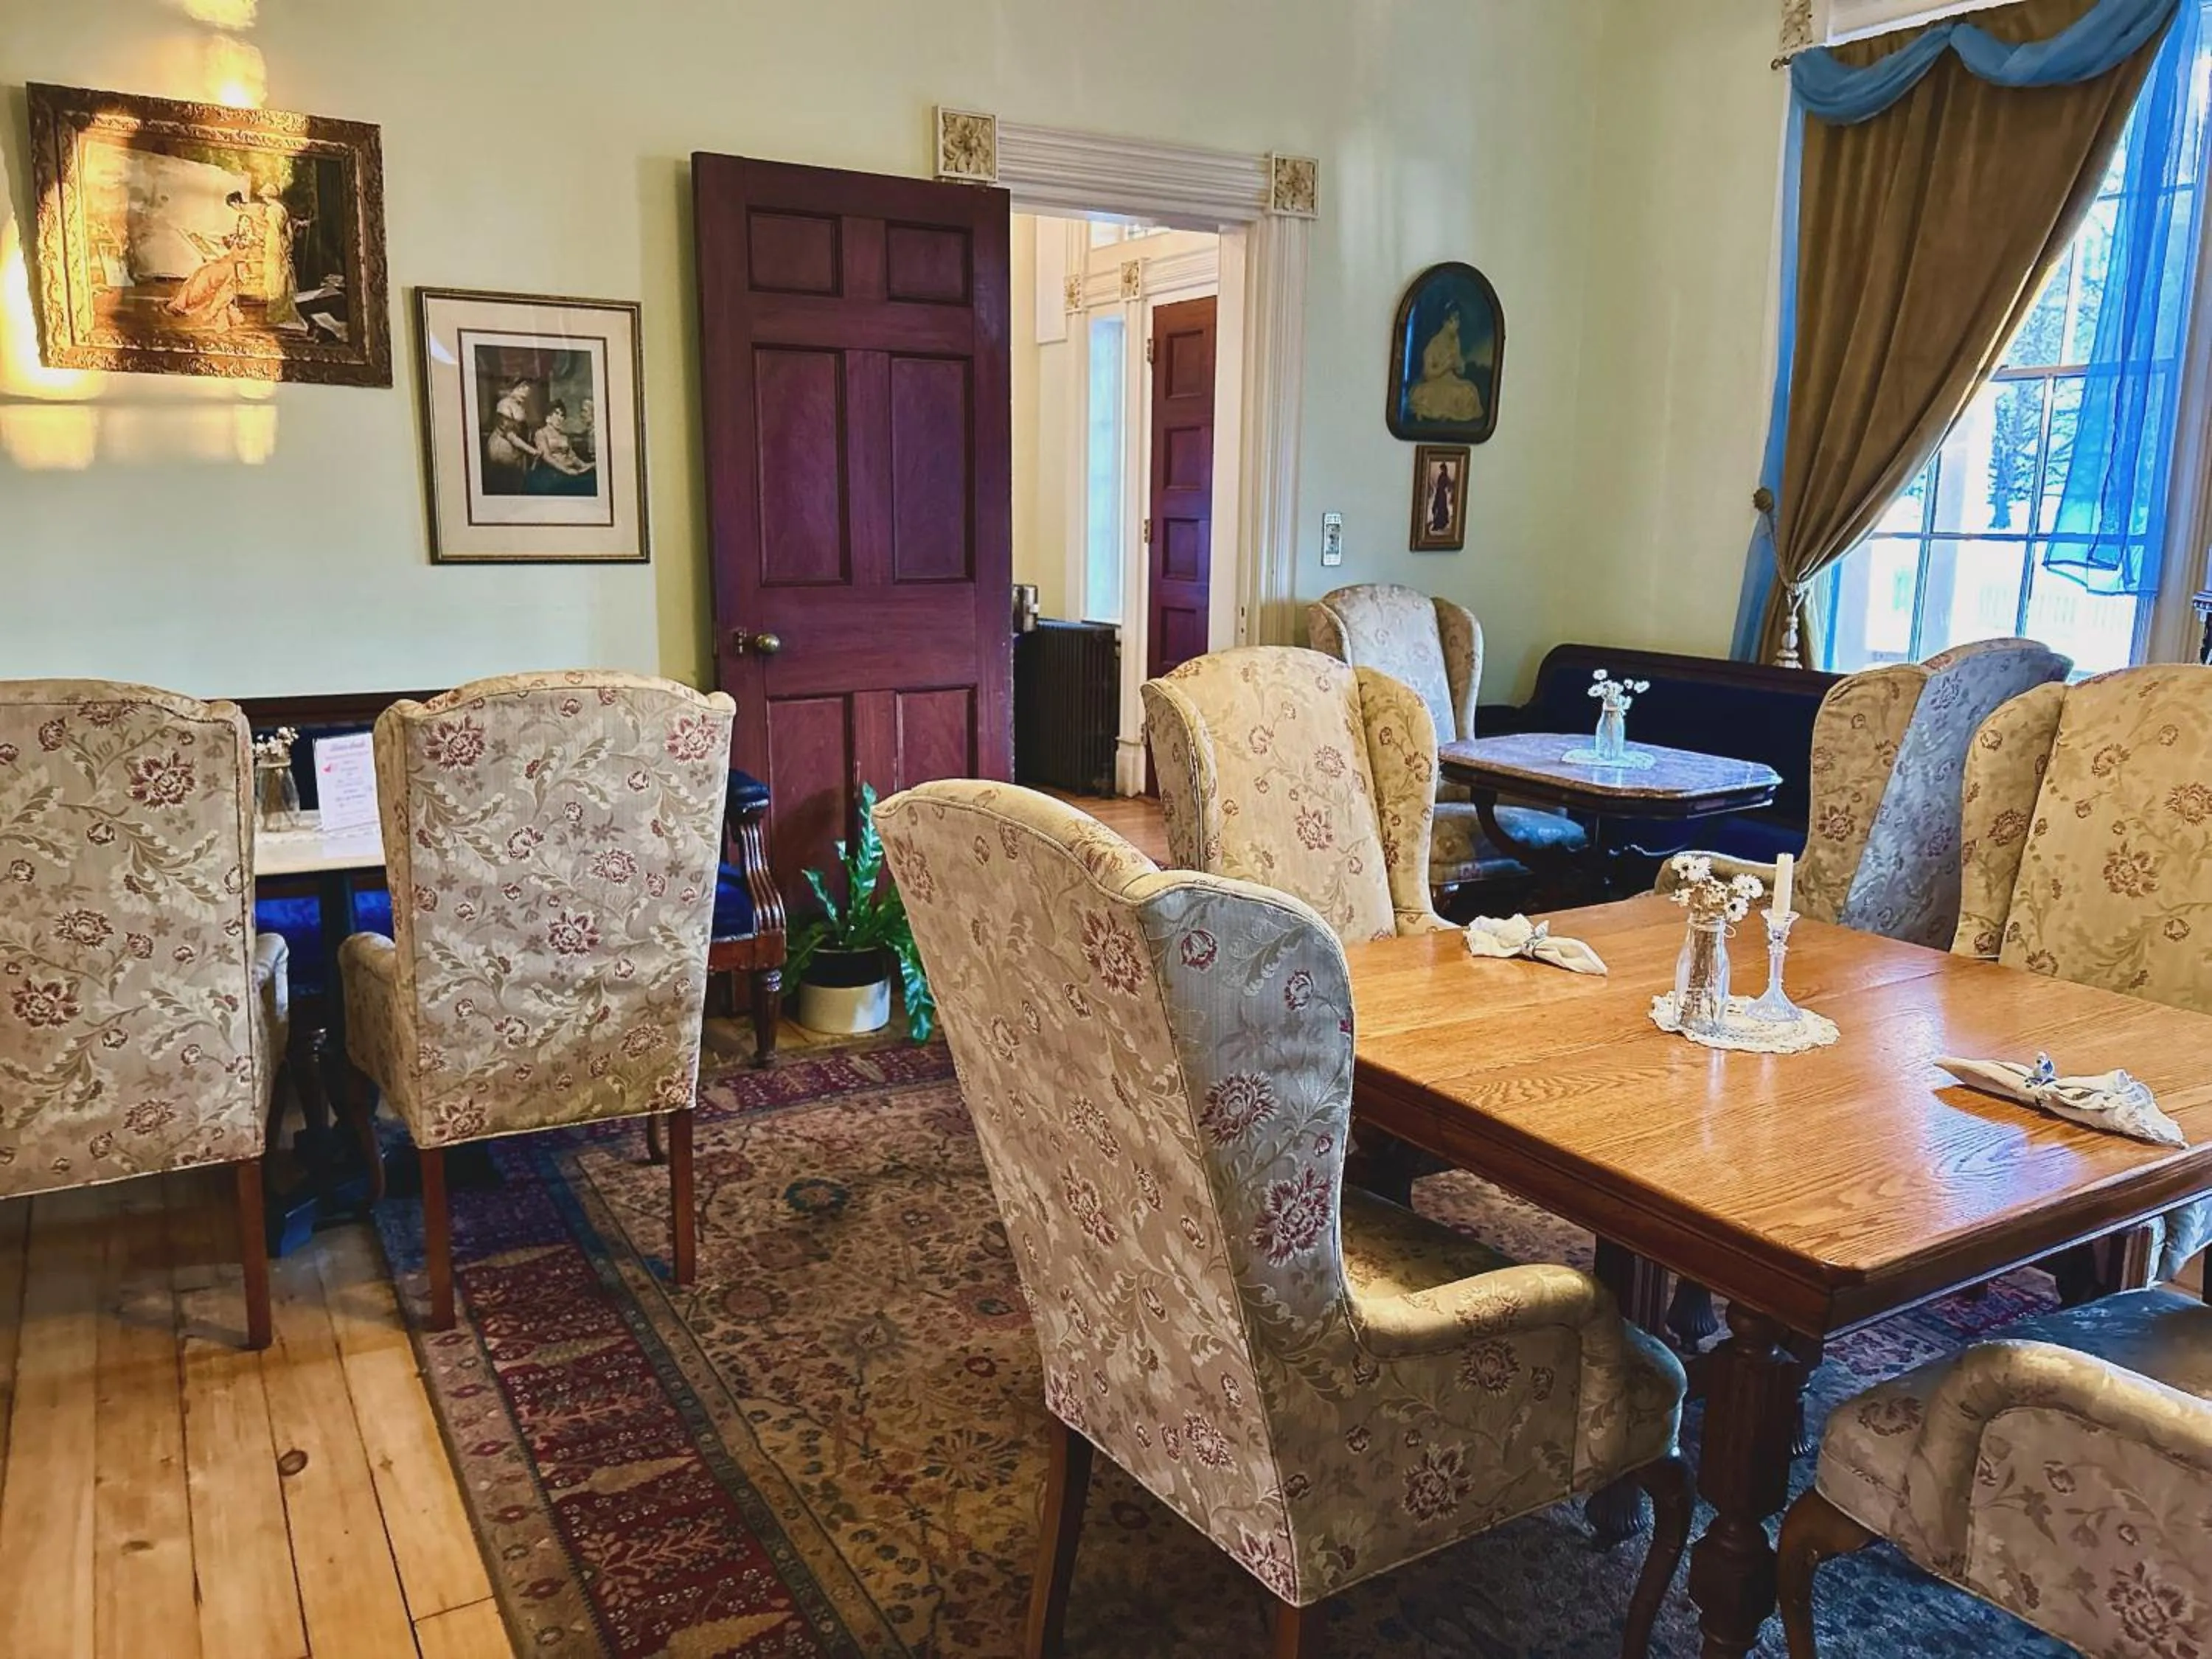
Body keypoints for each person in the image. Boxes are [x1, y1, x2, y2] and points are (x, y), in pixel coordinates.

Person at [163, 190, 258, 330]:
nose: (234, 209)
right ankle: (181, 304)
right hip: (231, 258)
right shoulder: (243, 218)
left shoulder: (249, 220)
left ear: (237, 202)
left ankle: (185, 305)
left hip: (238, 263)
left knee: (207, 276)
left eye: (233, 206)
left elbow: (250, 241)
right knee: (200, 271)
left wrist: (236, 241)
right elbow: (235, 239)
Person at [1407, 310, 1486, 426]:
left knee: (1469, 390)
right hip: (1434, 382)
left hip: (1451, 380)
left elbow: (1459, 367)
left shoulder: (1455, 341)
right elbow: (1427, 373)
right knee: (1440, 394)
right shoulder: (1434, 344)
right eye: (1454, 321)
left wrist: (1460, 366)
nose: (1457, 325)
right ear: (1445, 323)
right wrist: (1446, 366)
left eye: (1458, 321)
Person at [1427, 459, 1457, 535]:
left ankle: (1439, 524)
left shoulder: (1445, 477)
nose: (1441, 470)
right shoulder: (1441, 476)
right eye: (1441, 469)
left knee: (1441, 509)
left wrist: (1448, 489)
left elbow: (1449, 484)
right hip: (1439, 493)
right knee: (1437, 507)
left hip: (1442, 495)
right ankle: (1437, 523)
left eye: (1442, 469)